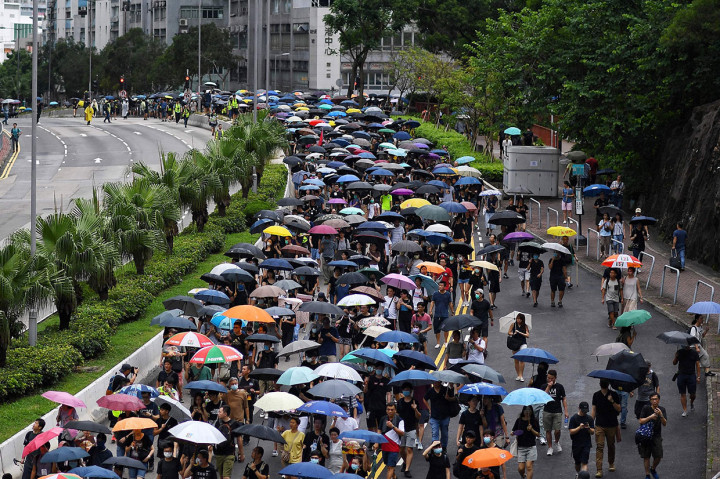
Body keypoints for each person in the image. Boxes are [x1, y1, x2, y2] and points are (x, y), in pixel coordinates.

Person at [591, 379, 621, 478]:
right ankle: (599, 469)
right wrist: (592, 422)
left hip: (612, 424)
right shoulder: (596, 395)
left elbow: (619, 409)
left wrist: (612, 401)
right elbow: (594, 409)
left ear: (608, 384)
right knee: (599, 446)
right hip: (600, 425)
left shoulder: (614, 394)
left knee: (611, 445)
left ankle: (611, 463)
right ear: (600, 384)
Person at [638, 392, 666, 479]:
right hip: (646, 435)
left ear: (659, 400)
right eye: (653, 399)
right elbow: (641, 421)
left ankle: (653, 468)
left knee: (658, 456)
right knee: (646, 456)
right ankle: (647, 474)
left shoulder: (662, 409)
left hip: (656, 435)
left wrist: (660, 415)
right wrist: (650, 417)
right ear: (650, 400)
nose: (654, 401)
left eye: (656, 399)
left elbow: (664, 423)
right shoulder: (646, 408)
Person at [542, 369, 568, 456]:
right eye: (548, 378)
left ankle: (556, 441)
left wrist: (566, 411)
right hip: (547, 410)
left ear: (555, 378)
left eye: (551, 378)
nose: (549, 380)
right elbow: (543, 397)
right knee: (548, 430)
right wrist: (548, 387)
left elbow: (563, 398)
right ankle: (550, 447)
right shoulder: (544, 386)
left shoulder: (560, 387)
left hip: (557, 411)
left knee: (557, 430)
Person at [424, 381, 456, 450]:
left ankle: (444, 448)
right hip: (434, 416)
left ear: (440, 382)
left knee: (444, 434)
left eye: (437, 382)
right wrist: (429, 409)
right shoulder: (430, 391)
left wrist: (448, 398)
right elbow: (424, 399)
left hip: (445, 416)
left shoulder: (445, 389)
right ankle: (436, 449)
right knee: (435, 433)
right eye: (434, 382)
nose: (435, 383)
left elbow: (454, 398)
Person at [397, 383, 420, 478]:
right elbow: (397, 414)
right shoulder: (400, 402)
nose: (406, 391)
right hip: (401, 429)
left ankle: (407, 469)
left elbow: (418, 417)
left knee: (410, 449)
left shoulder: (415, 402)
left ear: (410, 391)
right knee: (401, 450)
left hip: (411, 428)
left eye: (407, 389)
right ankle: (406, 462)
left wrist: (415, 409)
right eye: (404, 389)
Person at [511, 406, 540, 479]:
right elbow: (513, 431)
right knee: (521, 468)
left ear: (531, 411)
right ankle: (523, 475)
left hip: (531, 447)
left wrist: (531, 429)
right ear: (523, 411)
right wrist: (513, 433)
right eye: (526, 410)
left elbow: (538, 434)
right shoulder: (519, 420)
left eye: (529, 410)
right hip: (521, 447)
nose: (527, 412)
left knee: (529, 466)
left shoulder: (534, 421)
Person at [213, 405, 240, 478]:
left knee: (226, 476)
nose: (218, 413)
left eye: (220, 412)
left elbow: (239, 438)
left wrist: (241, 452)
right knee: (221, 476)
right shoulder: (217, 423)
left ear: (225, 414)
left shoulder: (234, 424)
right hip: (219, 453)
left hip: (229, 454)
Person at [672, 345, 700, 417]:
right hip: (681, 375)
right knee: (682, 393)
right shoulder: (679, 352)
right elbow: (674, 363)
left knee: (693, 394)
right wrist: (676, 356)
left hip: (691, 375)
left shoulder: (694, 353)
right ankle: (685, 410)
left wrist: (698, 376)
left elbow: (697, 365)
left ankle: (691, 402)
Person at [569, 402, 595, 476]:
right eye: (583, 411)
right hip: (576, 444)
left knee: (584, 462)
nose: (584, 413)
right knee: (577, 463)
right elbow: (571, 431)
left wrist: (588, 428)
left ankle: (583, 477)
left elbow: (592, 432)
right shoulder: (574, 418)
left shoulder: (589, 418)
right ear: (579, 408)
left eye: (586, 411)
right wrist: (579, 428)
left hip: (586, 444)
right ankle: (578, 473)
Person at [380, 403, 405, 479]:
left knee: (390, 467)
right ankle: (394, 477)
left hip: (394, 447)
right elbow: (379, 429)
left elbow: (402, 433)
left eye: (392, 410)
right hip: (384, 446)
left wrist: (392, 426)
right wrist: (377, 442)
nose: (390, 411)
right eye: (388, 409)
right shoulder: (383, 419)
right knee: (388, 466)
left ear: (395, 410)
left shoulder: (400, 420)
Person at [364, 362, 391, 432]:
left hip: (381, 406)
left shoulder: (386, 381)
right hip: (371, 406)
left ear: (383, 369)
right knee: (370, 425)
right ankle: (371, 441)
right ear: (375, 369)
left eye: (381, 369)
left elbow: (388, 393)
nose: (379, 370)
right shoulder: (370, 379)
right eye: (378, 368)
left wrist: (388, 404)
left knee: (381, 425)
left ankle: (379, 441)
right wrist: (366, 384)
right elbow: (365, 391)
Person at [429, 281, 453, 347]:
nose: (440, 286)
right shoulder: (435, 294)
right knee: (437, 329)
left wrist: (452, 311)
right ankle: (438, 343)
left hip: (445, 315)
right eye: (439, 285)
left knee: (445, 328)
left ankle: (445, 341)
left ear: (445, 287)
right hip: (437, 315)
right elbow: (432, 302)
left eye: (441, 285)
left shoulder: (448, 294)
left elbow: (450, 303)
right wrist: (430, 310)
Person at [508, 313, 529, 381]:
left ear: (522, 320)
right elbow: (509, 332)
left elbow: (527, 335)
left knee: (522, 359)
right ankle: (518, 375)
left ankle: (521, 375)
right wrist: (513, 333)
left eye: (520, 319)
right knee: (516, 360)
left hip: (523, 343)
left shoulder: (525, 326)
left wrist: (520, 332)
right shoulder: (513, 325)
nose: (518, 320)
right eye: (517, 318)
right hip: (515, 343)